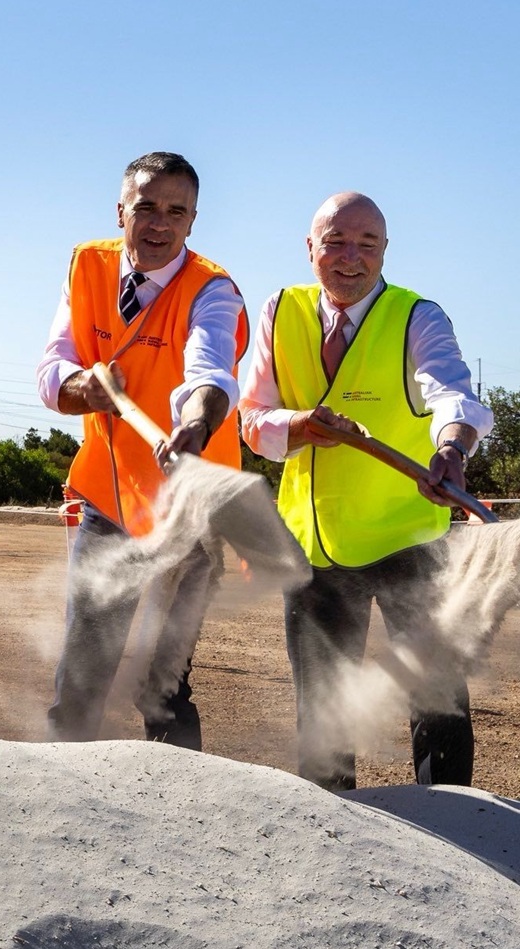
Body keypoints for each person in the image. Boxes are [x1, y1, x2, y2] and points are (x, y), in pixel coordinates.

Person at [240, 192, 491, 791]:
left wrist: (452, 451)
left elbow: (453, 395)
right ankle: (335, 832)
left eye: (366, 244)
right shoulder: (281, 311)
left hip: (410, 542)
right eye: (335, 242)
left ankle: (451, 811)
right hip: (314, 548)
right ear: (310, 248)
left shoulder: (417, 317)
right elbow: (252, 420)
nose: (350, 257)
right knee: (322, 707)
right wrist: (296, 427)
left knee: (435, 694)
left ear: (385, 251)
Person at [35, 151, 248, 749]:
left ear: (193, 220)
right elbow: (55, 367)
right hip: (110, 499)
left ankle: (178, 814)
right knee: (83, 669)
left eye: (175, 212)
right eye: (146, 208)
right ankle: (60, 796)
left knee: (163, 682)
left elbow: (210, 371)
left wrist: (195, 424)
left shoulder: (213, 289)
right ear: (121, 210)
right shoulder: (86, 265)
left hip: (191, 511)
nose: (159, 223)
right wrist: (83, 389)